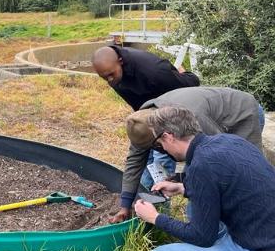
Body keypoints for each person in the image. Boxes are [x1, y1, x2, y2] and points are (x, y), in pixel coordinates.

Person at [133, 105, 275, 251]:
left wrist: (154, 218)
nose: (162, 148)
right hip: (261, 232)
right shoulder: (228, 141)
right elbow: (225, 184)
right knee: (194, 208)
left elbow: (202, 236)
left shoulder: (201, 164)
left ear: (168, 136)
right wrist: (183, 188)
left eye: (159, 143)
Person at [110, 86, 265, 223]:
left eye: (158, 146)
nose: (159, 150)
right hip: (209, 117)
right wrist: (125, 206)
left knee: (243, 170)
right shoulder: (139, 124)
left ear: (164, 134)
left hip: (241, 113)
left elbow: (219, 153)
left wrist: (188, 181)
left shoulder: (192, 117)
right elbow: (133, 165)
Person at [92, 45, 200, 191]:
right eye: (104, 78)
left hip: (169, 118)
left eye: (111, 75)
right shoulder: (112, 74)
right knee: (144, 158)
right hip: (148, 114)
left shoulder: (154, 72)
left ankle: (160, 202)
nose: (109, 80)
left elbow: (191, 85)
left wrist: (185, 74)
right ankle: (145, 198)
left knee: (161, 158)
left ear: (121, 61)